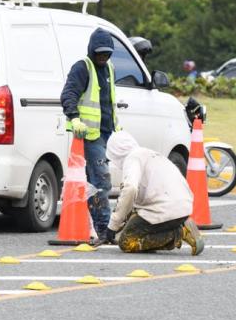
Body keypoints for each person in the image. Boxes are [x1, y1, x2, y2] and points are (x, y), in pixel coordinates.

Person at [60, 28, 120, 244]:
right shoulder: (82, 67)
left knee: (95, 182)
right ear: (92, 50)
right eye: (99, 53)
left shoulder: (110, 69)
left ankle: (99, 227)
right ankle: (104, 229)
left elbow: (108, 101)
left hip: (106, 133)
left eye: (107, 53)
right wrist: (74, 117)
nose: (103, 56)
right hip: (89, 135)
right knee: (101, 181)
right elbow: (68, 94)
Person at [105, 130, 204, 255]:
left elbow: (130, 189)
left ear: (116, 154)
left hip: (165, 209)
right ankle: (179, 224)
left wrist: (113, 226)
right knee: (135, 220)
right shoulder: (149, 154)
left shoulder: (132, 158)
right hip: (183, 206)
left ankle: (179, 233)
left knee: (127, 241)